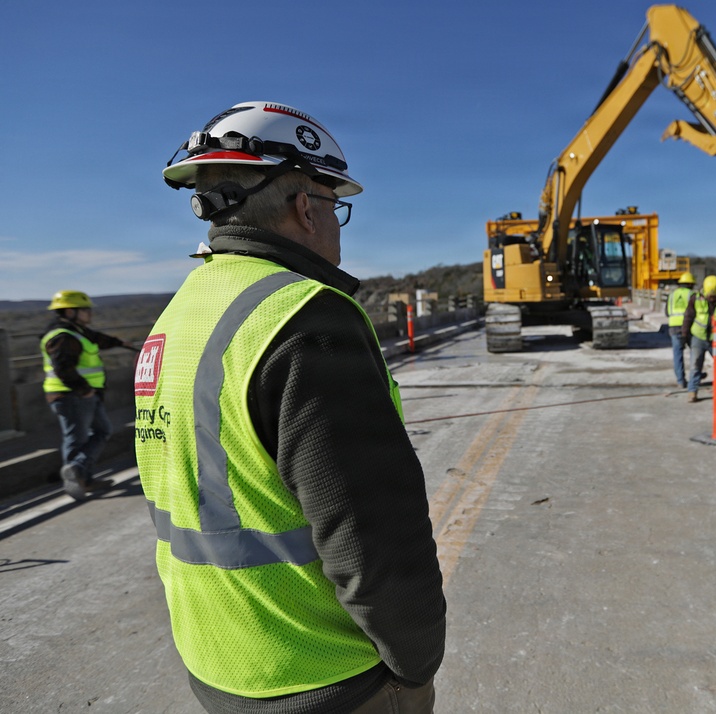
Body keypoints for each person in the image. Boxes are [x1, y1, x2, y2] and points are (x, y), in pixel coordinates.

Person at [134, 101, 446, 713]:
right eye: (336, 207)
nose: (336, 225)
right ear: (307, 207)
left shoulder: (178, 317)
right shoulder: (305, 317)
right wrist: (415, 663)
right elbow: (371, 532)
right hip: (326, 673)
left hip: (219, 662)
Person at [40, 290, 129, 500]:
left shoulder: (76, 331)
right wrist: (84, 390)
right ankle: (78, 473)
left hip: (82, 395)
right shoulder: (63, 337)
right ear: (71, 311)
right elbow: (63, 368)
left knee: (101, 431)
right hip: (72, 396)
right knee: (77, 439)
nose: (89, 313)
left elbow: (96, 338)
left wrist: (118, 342)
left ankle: (82, 476)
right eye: (85, 310)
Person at [664, 272, 696, 389]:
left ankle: (680, 381)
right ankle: (694, 378)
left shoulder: (672, 295)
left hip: (673, 327)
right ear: (690, 284)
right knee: (694, 352)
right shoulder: (692, 294)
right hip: (689, 327)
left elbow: (667, 312)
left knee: (677, 354)